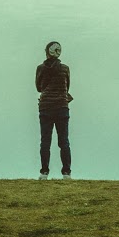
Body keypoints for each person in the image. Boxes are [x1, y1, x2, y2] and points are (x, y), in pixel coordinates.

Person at [36, 41, 72, 179]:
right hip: (62, 107)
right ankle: (66, 173)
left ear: (47, 52)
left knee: (45, 141)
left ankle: (44, 172)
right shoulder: (65, 69)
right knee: (64, 141)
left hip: (45, 107)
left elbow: (38, 87)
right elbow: (67, 87)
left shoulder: (40, 68)